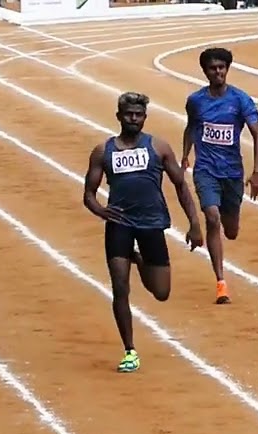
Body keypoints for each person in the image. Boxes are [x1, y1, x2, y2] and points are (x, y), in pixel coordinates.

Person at [83, 92, 203, 373]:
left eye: (138, 114)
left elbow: (180, 185)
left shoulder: (158, 147)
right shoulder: (103, 151)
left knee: (161, 291)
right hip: (119, 225)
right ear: (119, 117)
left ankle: (137, 259)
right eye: (128, 114)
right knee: (120, 287)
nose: (133, 119)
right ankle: (129, 350)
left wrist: (195, 223)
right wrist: (101, 211)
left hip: (152, 224)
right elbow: (88, 194)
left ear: (145, 117)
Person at [181, 47, 258, 304]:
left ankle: (228, 223)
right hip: (206, 169)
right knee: (212, 216)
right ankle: (221, 282)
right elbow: (191, 127)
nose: (218, 71)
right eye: (212, 68)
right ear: (205, 71)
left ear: (227, 69)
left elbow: (257, 135)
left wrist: (257, 172)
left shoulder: (240, 100)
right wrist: (185, 155)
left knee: (232, 230)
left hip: (232, 173)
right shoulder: (196, 101)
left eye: (221, 67)